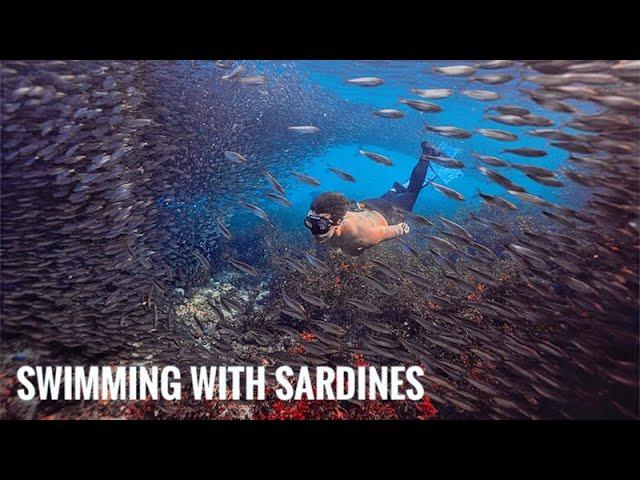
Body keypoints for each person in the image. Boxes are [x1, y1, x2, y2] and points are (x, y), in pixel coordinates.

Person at [304, 141, 439, 256]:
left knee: (413, 190)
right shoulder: (333, 216)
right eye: (309, 222)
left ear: (338, 222)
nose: (313, 231)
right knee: (398, 193)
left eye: (321, 226)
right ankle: (396, 191)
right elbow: (340, 205)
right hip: (371, 204)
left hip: (390, 213)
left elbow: (398, 229)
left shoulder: (363, 237)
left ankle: (427, 154)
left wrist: (404, 228)